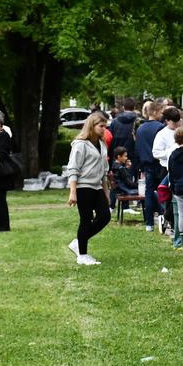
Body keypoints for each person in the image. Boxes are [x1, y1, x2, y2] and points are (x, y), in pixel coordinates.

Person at [63, 112, 112, 265]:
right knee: (86, 220)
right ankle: (82, 255)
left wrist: (106, 193)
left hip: (97, 186)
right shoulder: (80, 144)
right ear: (92, 125)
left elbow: (104, 172)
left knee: (105, 216)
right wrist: (73, 192)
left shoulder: (102, 144)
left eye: (105, 126)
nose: (104, 129)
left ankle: (78, 242)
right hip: (83, 186)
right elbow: (73, 169)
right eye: (101, 126)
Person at [135, 101, 166, 232]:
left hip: (146, 164)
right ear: (155, 112)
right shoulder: (160, 127)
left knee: (149, 192)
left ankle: (149, 222)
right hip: (158, 163)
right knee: (162, 191)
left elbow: (138, 148)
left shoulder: (140, 129)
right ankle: (163, 215)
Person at [107, 97, 140, 168]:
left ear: (123, 107)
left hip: (117, 156)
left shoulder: (114, 122)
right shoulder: (138, 121)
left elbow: (110, 138)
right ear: (134, 107)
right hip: (132, 156)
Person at [110, 147, 139, 211]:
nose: (126, 158)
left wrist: (127, 168)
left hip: (118, 189)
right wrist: (138, 185)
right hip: (123, 190)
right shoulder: (120, 168)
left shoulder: (114, 166)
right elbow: (128, 182)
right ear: (119, 156)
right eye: (125, 156)